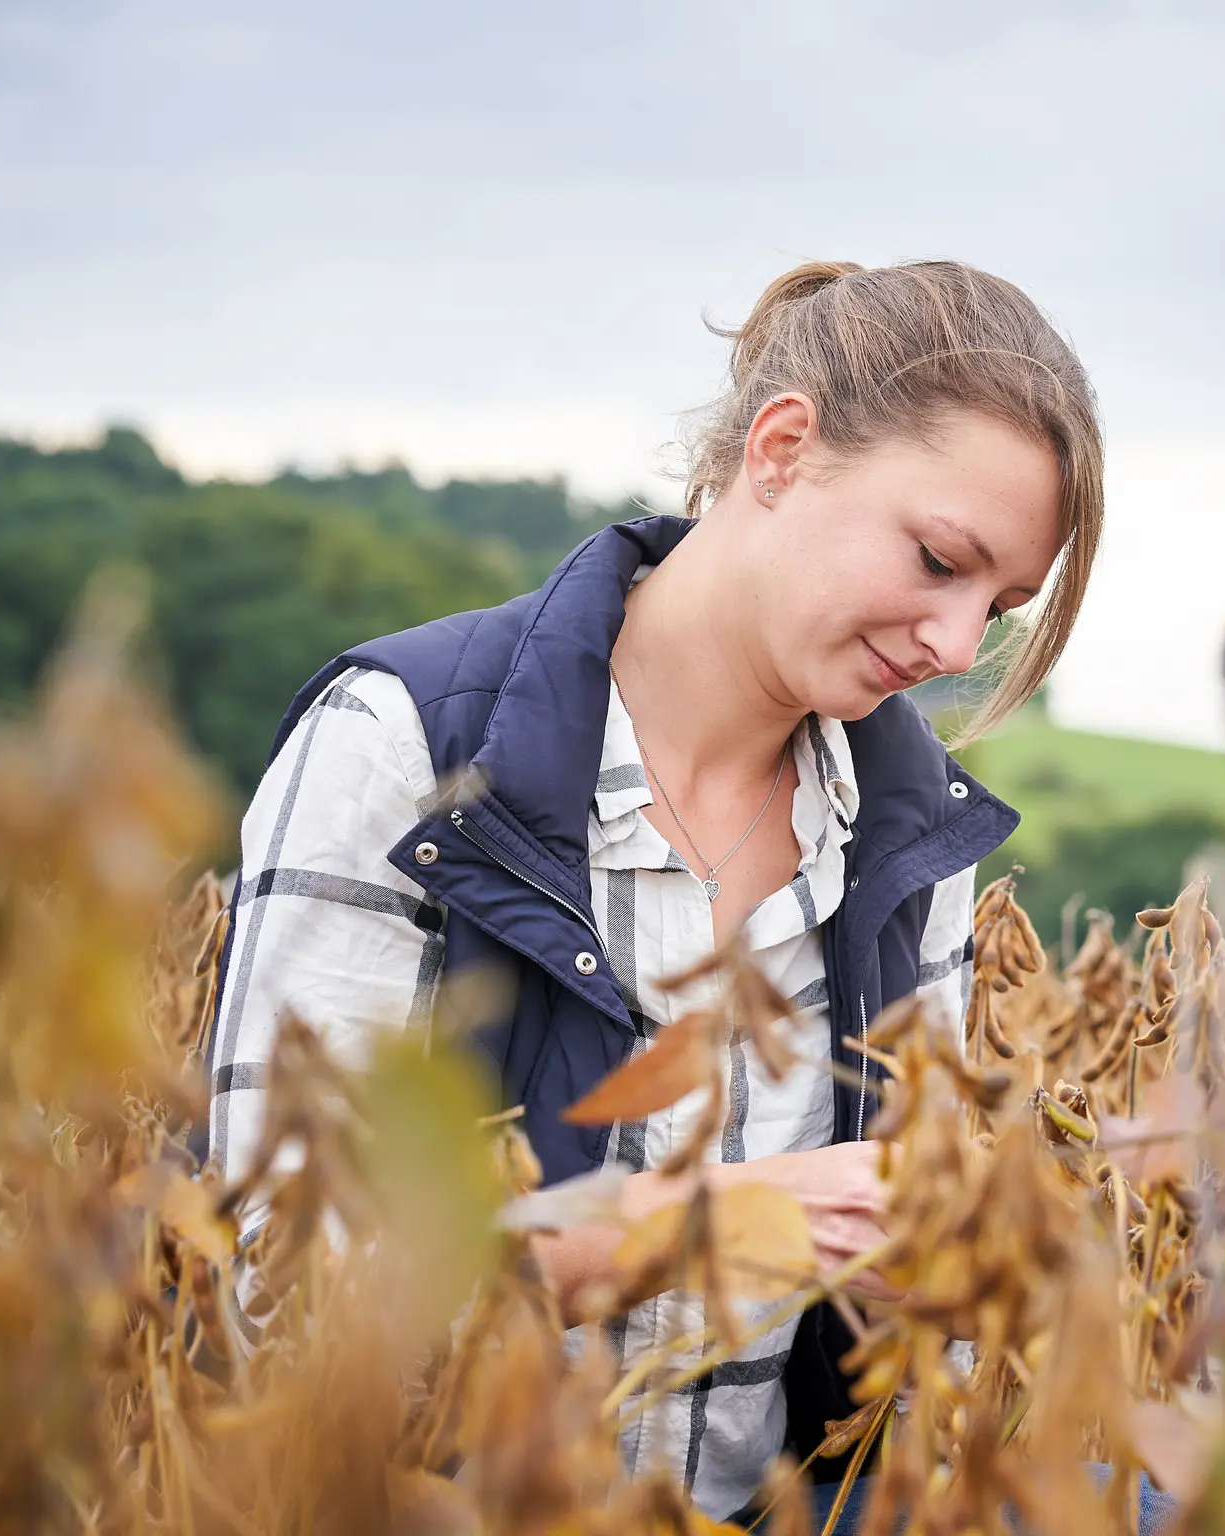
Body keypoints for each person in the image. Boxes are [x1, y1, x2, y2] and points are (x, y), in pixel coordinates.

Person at [203, 259, 1105, 1523]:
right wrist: (702, 1225)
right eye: (937, 560)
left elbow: (916, 1361)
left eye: (999, 606)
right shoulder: (404, 749)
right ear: (781, 450)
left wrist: (950, 1278)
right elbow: (280, 1291)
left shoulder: (909, 826)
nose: (955, 649)